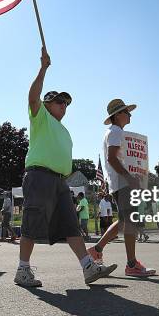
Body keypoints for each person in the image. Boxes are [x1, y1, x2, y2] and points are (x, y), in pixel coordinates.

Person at [15, 48, 117, 287]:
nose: (64, 105)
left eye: (66, 103)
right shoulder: (40, 117)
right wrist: (43, 68)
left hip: (60, 181)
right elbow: (32, 97)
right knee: (32, 222)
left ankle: (88, 267)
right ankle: (22, 269)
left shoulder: (64, 130)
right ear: (48, 103)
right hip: (39, 176)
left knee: (71, 224)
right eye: (60, 101)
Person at [87, 99, 156, 277]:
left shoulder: (114, 132)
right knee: (129, 221)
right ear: (118, 115)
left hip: (118, 183)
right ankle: (131, 264)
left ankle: (97, 249)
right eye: (126, 112)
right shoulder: (116, 131)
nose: (130, 114)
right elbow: (111, 158)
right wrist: (129, 177)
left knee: (125, 220)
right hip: (122, 183)